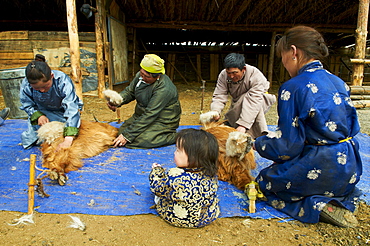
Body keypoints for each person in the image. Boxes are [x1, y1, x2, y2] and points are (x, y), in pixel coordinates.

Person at [254, 26, 362, 228]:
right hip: (350, 168)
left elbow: (287, 147)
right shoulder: (340, 82)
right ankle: (337, 196)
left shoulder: (293, 87)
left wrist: (258, 144)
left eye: (283, 56)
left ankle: (317, 205)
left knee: (265, 181)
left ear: (294, 52)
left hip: (320, 165)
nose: (283, 62)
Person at [106, 54, 181, 149]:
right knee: (121, 132)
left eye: (146, 76)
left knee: (140, 140)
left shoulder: (164, 89)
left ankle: (175, 136)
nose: (142, 77)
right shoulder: (140, 76)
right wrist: (117, 101)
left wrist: (127, 136)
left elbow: (150, 114)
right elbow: (130, 91)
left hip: (162, 120)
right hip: (141, 115)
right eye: (141, 73)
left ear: (157, 76)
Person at [149, 128, 220, 228]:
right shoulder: (211, 174)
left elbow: (157, 188)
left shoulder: (175, 177)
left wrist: (157, 172)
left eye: (178, 150)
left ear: (193, 157)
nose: (175, 153)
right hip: (207, 217)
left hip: (180, 219)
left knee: (160, 196)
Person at [207, 53, 276, 139]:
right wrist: (216, 111)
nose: (231, 76)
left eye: (234, 73)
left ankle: (254, 136)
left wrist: (243, 125)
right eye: (229, 73)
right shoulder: (223, 75)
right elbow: (220, 94)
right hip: (238, 101)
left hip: (259, 100)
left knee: (247, 103)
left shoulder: (256, 76)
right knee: (239, 108)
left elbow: (254, 101)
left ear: (243, 69)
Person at [20, 55, 83, 149]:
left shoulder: (62, 80)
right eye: (36, 88)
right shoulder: (26, 84)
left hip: (63, 112)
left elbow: (71, 107)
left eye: (45, 86)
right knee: (32, 139)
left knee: (67, 134)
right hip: (43, 111)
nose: (42, 90)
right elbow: (27, 104)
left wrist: (68, 138)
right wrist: (38, 115)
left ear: (52, 76)